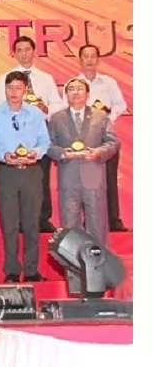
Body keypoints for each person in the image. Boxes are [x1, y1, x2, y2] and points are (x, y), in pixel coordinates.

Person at [0, 70, 50, 283]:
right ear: (5, 89)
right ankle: (11, 270)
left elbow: (45, 141)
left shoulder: (36, 114)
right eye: (10, 87)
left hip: (31, 172)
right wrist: (3, 154)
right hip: (7, 172)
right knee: (9, 223)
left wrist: (35, 153)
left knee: (32, 223)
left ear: (25, 90)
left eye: (18, 87)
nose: (14, 92)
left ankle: (31, 270)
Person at [0, 35, 64, 233]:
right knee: (15, 181)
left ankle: (42, 219)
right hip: (12, 136)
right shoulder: (5, 78)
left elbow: (58, 104)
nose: (24, 53)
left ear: (34, 51)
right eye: (19, 50)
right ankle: (18, 221)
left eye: (27, 49)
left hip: (38, 135)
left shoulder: (45, 78)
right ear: (14, 53)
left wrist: (46, 108)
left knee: (40, 177)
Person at [47, 78, 120, 246]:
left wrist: (98, 152)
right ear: (66, 95)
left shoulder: (101, 116)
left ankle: (99, 261)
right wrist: (63, 153)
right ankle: (73, 263)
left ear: (87, 94)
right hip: (68, 178)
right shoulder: (57, 118)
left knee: (97, 225)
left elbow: (113, 142)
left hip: (93, 177)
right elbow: (48, 145)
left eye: (79, 88)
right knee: (70, 226)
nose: (75, 92)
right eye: (71, 89)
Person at [76, 44, 129, 232]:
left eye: (93, 56)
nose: (89, 60)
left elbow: (121, 105)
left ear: (98, 59)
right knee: (87, 182)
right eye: (86, 56)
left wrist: (107, 119)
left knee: (109, 180)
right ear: (80, 60)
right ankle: (89, 222)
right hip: (84, 138)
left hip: (107, 137)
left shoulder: (109, 83)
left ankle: (113, 221)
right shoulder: (73, 84)